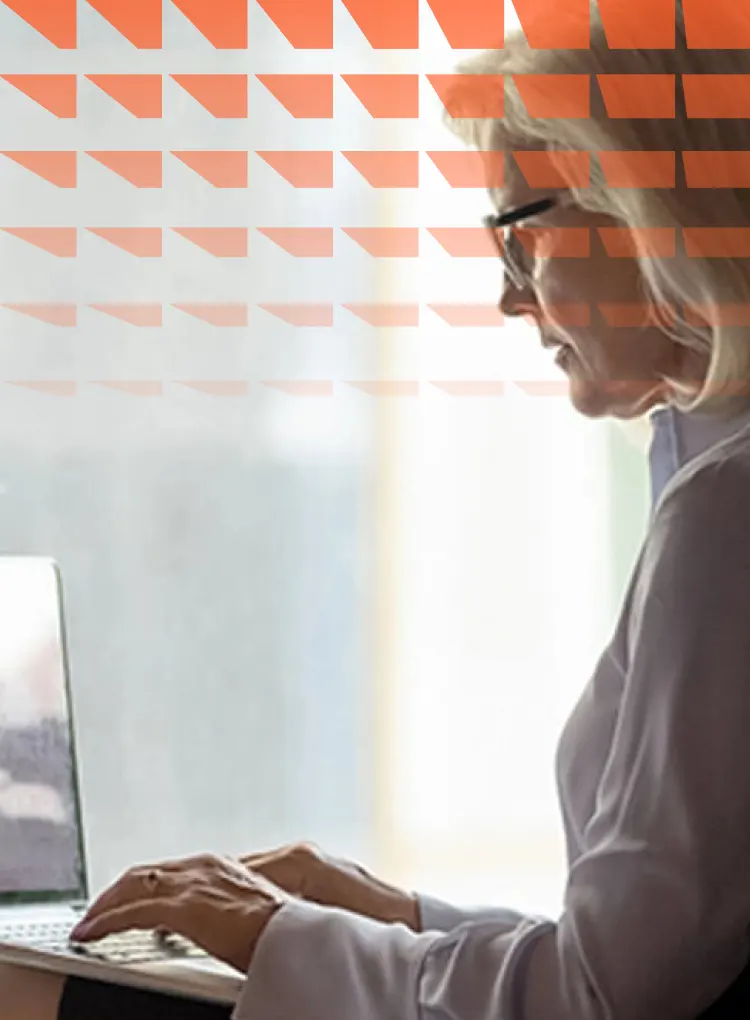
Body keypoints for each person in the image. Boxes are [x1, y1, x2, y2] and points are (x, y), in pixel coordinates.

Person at [5, 0, 750, 1016]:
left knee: (33, 992)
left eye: (520, 237)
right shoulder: (708, 483)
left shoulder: (723, 511)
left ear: (645, 208)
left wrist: (278, 935)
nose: (509, 297)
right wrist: (391, 913)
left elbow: (602, 999)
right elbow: (648, 961)